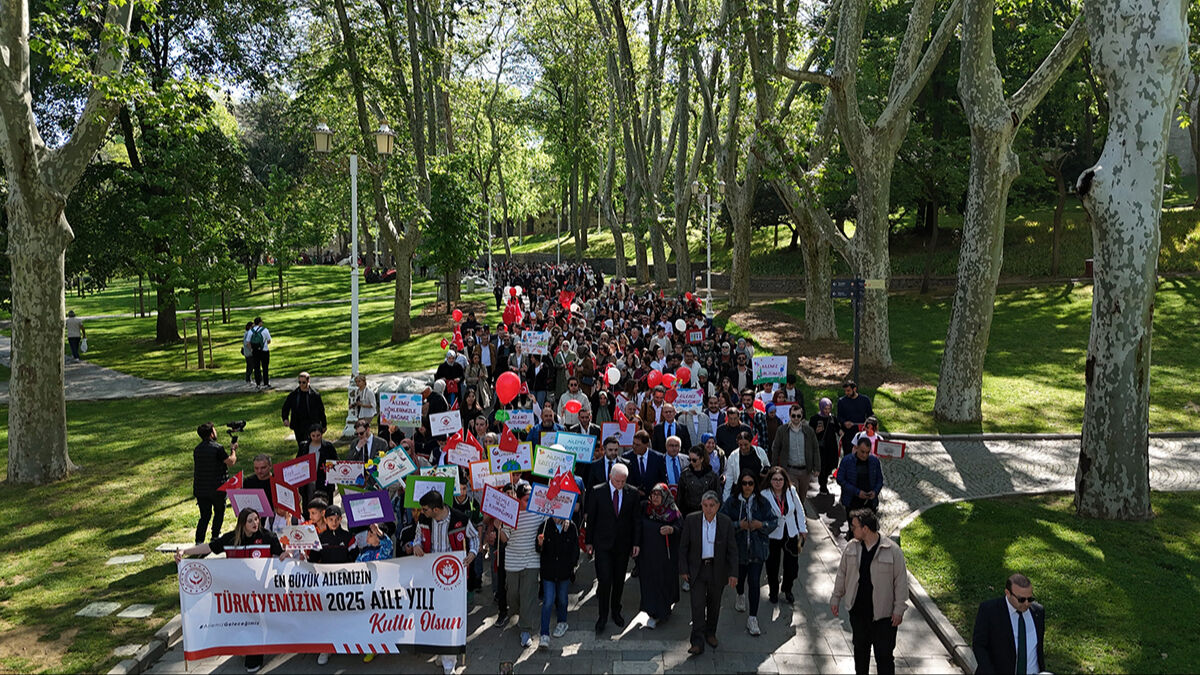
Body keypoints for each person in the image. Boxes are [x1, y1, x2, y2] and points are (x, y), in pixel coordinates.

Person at [175, 508, 283, 673]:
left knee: (256, 622)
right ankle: (246, 649)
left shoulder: (268, 536)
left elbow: (281, 555)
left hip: (260, 591)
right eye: (250, 521)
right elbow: (209, 547)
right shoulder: (231, 538)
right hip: (236, 592)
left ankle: (254, 655)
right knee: (242, 622)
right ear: (242, 524)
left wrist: (286, 555)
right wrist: (185, 552)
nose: (255, 523)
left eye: (256, 519)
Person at [831, 508, 908, 675]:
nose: (852, 530)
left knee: (884, 658)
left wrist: (899, 610)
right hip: (858, 614)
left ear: (865, 528)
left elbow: (901, 583)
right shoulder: (852, 547)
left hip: (884, 618)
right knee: (860, 655)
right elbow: (842, 573)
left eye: (854, 527)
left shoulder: (892, 550)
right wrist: (835, 597)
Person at [411, 490, 480, 674]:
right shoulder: (424, 520)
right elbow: (416, 537)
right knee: (435, 617)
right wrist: (416, 545)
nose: (421, 512)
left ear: (435, 509)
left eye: (425, 509)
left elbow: (474, 538)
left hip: (453, 578)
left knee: (450, 617)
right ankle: (442, 652)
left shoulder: (461, 519)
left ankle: (450, 662)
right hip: (430, 576)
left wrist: (472, 554)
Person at [678, 491, 739, 655]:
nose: (709, 509)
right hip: (697, 569)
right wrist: (683, 569)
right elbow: (683, 547)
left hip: (717, 569)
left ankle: (710, 632)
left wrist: (733, 573)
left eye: (712, 506)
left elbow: (732, 550)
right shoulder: (692, 520)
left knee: (714, 604)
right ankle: (697, 641)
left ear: (718, 506)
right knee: (697, 605)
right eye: (705, 505)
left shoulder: (725, 522)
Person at [584, 463, 642, 634]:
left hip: (623, 545)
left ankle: (616, 610)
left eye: (623, 481)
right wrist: (589, 542)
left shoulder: (632, 493)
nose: (620, 484)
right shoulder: (597, 491)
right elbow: (591, 518)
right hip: (602, 544)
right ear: (610, 477)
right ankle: (602, 616)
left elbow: (636, 520)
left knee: (618, 580)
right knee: (605, 580)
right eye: (617, 481)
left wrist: (636, 543)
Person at [721, 472, 777, 636]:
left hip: (757, 550)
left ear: (755, 485)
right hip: (738, 550)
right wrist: (739, 525)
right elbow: (723, 522)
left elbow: (773, 521)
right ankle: (740, 595)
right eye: (744, 483)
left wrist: (761, 525)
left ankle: (753, 617)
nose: (747, 487)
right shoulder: (731, 502)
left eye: (750, 483)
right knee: (739, 579)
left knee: (754, 582)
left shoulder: (762, 502)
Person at [499, 482, 546, 648]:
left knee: (529, 596)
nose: (531, 501)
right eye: (527, 499)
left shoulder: (540, 512)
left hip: (532, 560)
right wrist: (499, 526)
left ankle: (525, 629)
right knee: (513, 594)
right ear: (518, 500)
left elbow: (550, 525)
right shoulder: (510, 514)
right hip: (512, 561)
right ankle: (517, 613)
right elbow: (504, 538)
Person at [971, 573, 1045, 674]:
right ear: (1008, 593)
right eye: (1021, 599)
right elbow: (979, 646)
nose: (1026, 603)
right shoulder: (990, 611)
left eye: (1030, 599)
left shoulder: (1038, 612)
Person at [638, 483, 681, 629]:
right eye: (653, 494)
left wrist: (671, 529)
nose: (655, 498)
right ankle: (652, 613)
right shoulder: (645, 508)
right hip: (647, 555)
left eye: (659, 495)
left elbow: (681, 528)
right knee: (649, 583)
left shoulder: (672, 511)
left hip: (665, 557)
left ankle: (663, 611)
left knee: (663, 583)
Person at [761, 467, 807, 604]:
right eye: (774, 479)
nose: (778, 482)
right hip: (773, 534)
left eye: (780, 479)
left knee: (792, 565)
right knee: (772, 566)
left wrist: (802, 529)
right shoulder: (764, 494)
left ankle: (787, 589)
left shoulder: (791, 491)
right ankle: (773, 591)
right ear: (770, 480)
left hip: (790, 532)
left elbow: (799, 510)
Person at [536, 511, 580, 648]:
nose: (557, 517)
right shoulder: (544, 526)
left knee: (562, 599)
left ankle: (562, 622)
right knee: (548, 601)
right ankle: (544, 634)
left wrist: (571, 566)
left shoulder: (571, 527)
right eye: (554, 514)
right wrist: (540, 544)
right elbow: (538, 549)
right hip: (548, 572)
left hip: (564, 572)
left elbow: (575, 549)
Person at [192, 422, 237, 544]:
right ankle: (215, 537)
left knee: (205, 516)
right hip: (217, 488)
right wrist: (233, 449)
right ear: (211, 433)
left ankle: (199, 541)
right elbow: (231, 462)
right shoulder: (218, 448)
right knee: (219, 512)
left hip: (201, 489)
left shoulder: (197, 449)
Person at [769, 404, 820, 499]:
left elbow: (815, 448)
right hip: (790, 470)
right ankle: (795, 512)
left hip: (806, 470)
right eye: (793, 415)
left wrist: (817, 467)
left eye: (798, 416)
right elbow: (775, 449)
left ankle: (800, 511)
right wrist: (774, 467)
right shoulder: (782, 430)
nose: (796, 418)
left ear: (801, 416)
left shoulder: (809, 431)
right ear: (789, 415)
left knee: (802, 496)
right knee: (793, 495)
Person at [282, 372, 326, 454]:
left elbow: (321, 411)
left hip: (311, 424)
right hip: (298, 425)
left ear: (308, 381)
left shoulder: (315, 395)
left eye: (303, 382)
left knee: (310, 444)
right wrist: (285, 419)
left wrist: (324, 424)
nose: (301, 384)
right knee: (301, 445)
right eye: (299, 382)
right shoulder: (294, 395)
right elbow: (285, 408)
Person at [837, 437, 885, 513]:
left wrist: (875, 492)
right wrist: (857, 492)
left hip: (870, 503)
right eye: (862, 452)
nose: (864, 455)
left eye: (867, 452)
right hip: (852, 502)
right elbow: (840, 479)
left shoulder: (875, 461)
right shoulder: (847, 460)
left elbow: (880, 480)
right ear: (857, 448)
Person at [297, 425, 337, 510]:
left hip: (324, 482)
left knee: (323, 507)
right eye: (313, 436)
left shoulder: (328, 447)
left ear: (322, 434)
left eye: (318, 435)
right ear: (309, 435)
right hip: (308, 483)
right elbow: (297, 462)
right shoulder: (304, 447)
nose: (316, 438)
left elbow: (335, 463)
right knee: (309, 507)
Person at [722, 431, 769, 499]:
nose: (743, 447)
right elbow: (729, 478)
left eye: (746, 445)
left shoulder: (760, 452)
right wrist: (725, 498)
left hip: (758, 490)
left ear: (750, 442)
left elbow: (768, 467)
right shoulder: (733, 456)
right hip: (740, 490)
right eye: (740, 445)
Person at [678, 445, 721, 517]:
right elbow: (680, 497)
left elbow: (717, 496)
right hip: (689, 513)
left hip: (707, 512)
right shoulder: (685, 475)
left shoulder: (712, 476)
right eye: (689, 460)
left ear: (701, 459)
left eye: (694, 460)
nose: (691, 462)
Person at [624, 429, 667, 497]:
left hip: (653, 498)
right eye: (633, 443)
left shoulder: (658, 458)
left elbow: (662, 479)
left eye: (638, 445)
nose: (634, 447)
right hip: (634, 498)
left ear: (646, 445)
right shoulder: (626, 457)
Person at [811, 397, 840, 495]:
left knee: (830, 465)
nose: (827, 411)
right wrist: (816, 431)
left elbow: (838, 429)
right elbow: (810, 433)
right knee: (822, 467)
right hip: (821, 447)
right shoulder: (815, 418)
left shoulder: (832, 418)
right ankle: (823, 486)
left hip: (831, 447)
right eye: (825, 409)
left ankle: (825, 480)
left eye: (829, 409)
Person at [836, 381, 874, 457]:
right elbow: (839, 417)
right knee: (848, 455)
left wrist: (870, 425)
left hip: (861, 432)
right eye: (845, 391)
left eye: (848, 391)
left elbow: (870, 415)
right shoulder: (841, 401)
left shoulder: (865, 400)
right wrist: (844, 422)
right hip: (847, 433)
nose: (846, 393)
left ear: (855, 389)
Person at [247, 316, 272, 390]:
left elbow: (247, 342)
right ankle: (266, 383)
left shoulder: (251, 331)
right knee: (265, 367)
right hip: (264, 351)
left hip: (255, 351)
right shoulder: (265, 330)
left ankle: (258, 383)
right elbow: (269, 340)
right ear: (260, 323)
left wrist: (251, 349)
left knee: (257, 367)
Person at [240, 321, 255, 386]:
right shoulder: (248, 333)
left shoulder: (248, 333)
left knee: (250, 365)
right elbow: (247, 343)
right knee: (250, 366)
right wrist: (251, 349)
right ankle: (248, 379)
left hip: (247, 352)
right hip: (248, 352)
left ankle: (248, 378)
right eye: (252, 327)